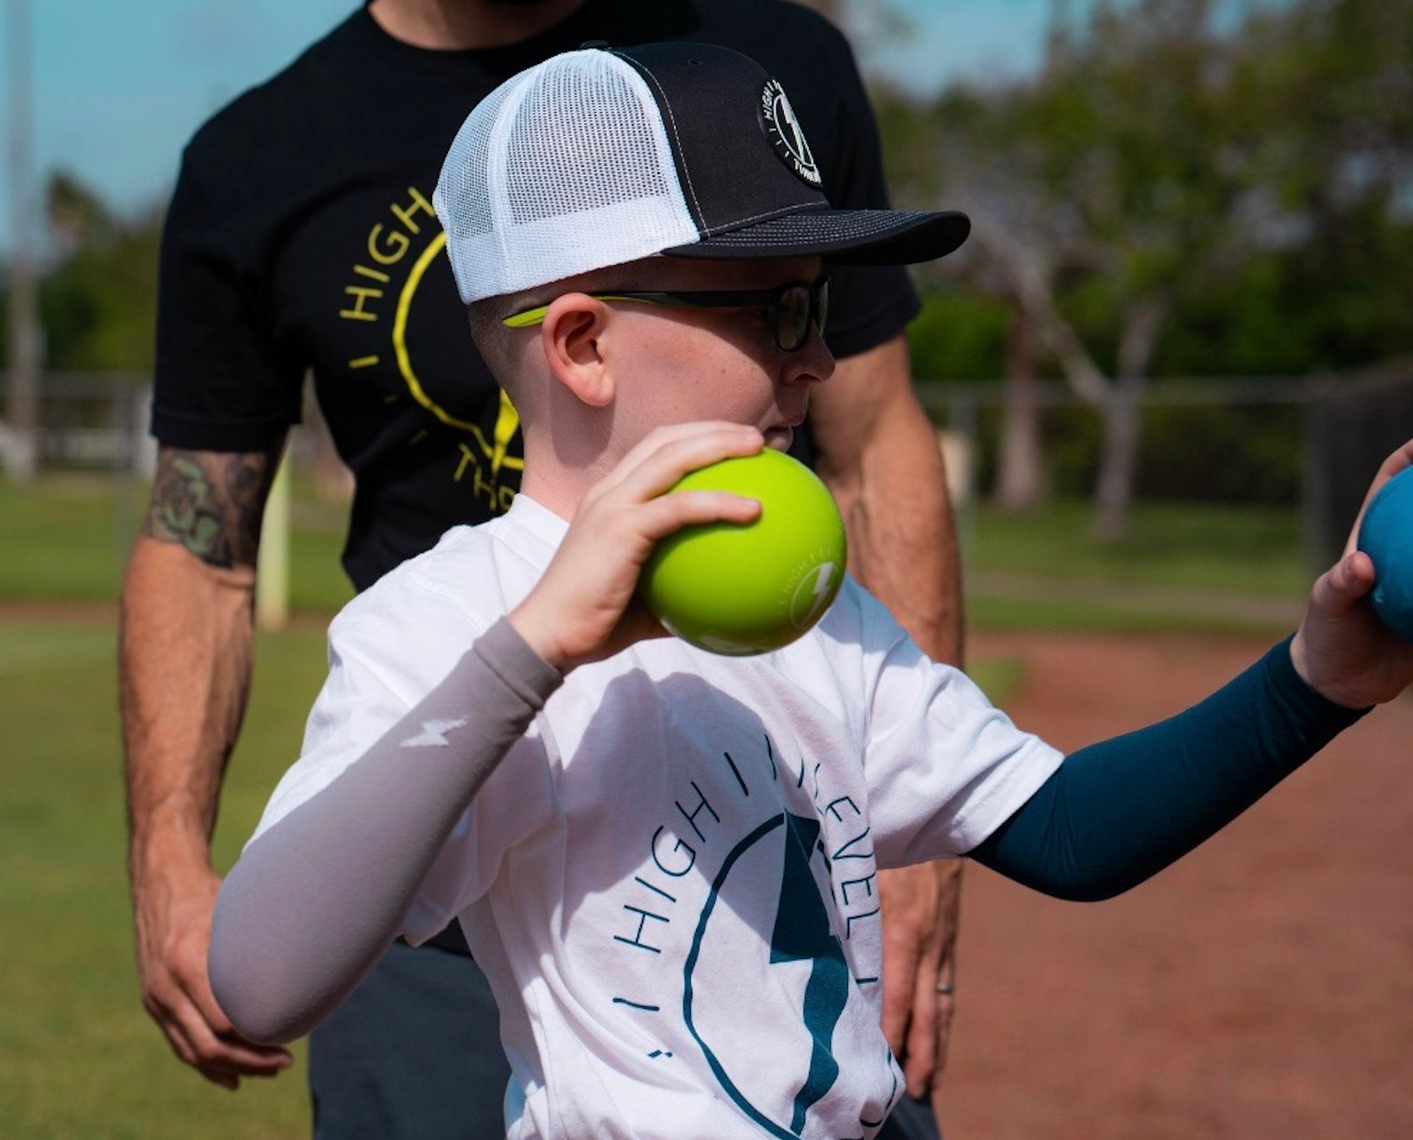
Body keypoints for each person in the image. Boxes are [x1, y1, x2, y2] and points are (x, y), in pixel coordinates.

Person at [207, 40, 1413, 1140]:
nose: (818, 353)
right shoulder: (450, 619)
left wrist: (1312, 683)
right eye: (774, 309)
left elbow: (1068, 832)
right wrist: (531, 651)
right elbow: (263, 979)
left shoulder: (814, 604)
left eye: (822, 304)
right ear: (582, 343)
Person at [121, 1, 960, 1137]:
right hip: (423, 850)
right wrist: (170, 850)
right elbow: (200, 538)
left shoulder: (761, 66)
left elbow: (872, 442)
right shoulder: (259, 155)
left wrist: (916, 857)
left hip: (748, 821)